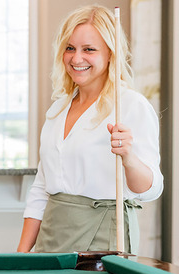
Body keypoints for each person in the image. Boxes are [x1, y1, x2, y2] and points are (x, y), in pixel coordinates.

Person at [17, 5, 163, 254]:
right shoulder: (58, 109)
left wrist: (129, 158)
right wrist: (20, 255)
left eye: (89, 50)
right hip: (51, 238)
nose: (76, 59)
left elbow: (151, 189)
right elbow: (42, 187)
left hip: (102, 239)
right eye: (70, 48)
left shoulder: (130, 105)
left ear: (110, 55)